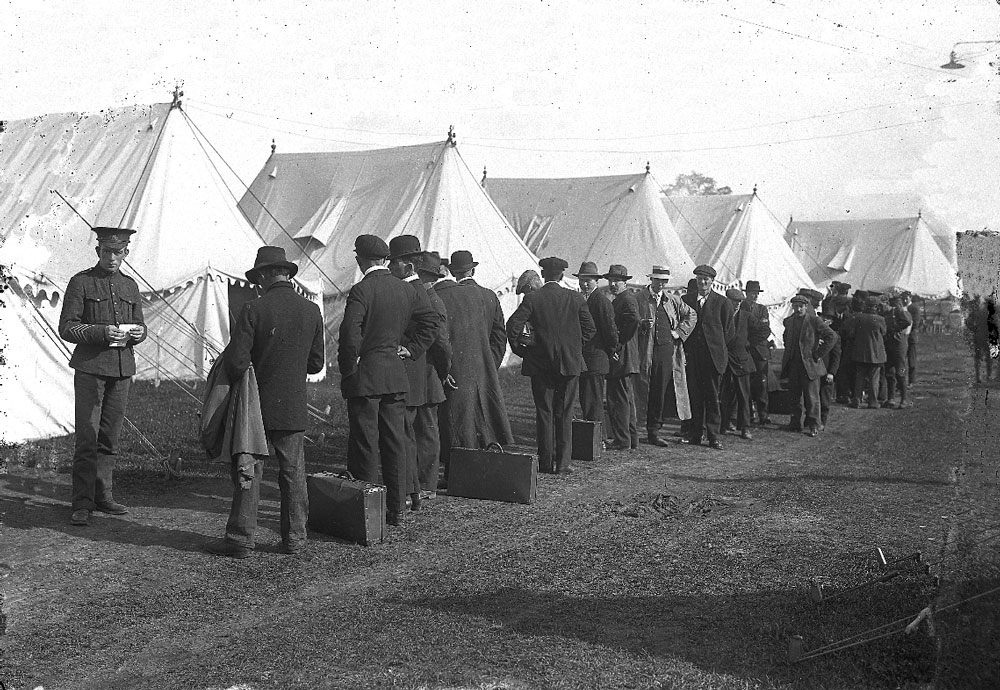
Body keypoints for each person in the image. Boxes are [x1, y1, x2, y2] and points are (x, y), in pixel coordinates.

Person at [207, 246, 325, 557]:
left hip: (255, 406)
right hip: (292, 405)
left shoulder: (253, 310)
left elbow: (235, 364)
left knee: (250, 469)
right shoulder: (311, 310)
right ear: (287, 274)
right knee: (293, 471)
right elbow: (315, 364)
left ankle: (241, 539)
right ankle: (296, 539)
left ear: (262, 275)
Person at [339, 235, 438, 527]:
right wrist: (412, 349)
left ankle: (368, 512)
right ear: (384, 259)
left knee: (366, 445)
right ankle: (396, 509)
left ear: (360, 260)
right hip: (396, 376)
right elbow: (431, 321)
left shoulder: (361, 291)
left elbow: (349, 337)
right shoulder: (405, 290)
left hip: (366, 378)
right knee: (395, 443)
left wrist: (348, 371)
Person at [58, 227, 147, 527]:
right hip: (90, 369)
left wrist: (139, 333)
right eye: (106, 251)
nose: (112, 257)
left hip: (121, 370)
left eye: (118, 252)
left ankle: (103, 495)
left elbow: (141, 326)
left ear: (126, 254)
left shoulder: (131, 286)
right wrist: (99, 332)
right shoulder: (81, 282)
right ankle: (82, 502)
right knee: (87, 437)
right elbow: (67, 327)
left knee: (109, 436)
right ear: (98, 251)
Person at [506, 257, 596, 474]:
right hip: (570, 365)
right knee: (564, 413)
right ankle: (563, 464)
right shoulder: (575, 298)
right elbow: (590, 329)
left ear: (543, 275)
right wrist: (573, 348)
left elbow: (512, 326)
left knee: (544, 412)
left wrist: (524, 352)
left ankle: (545, 462)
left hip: (540, 365)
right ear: (562, 275)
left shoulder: (533, 299)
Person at [434, 250, 514, 482]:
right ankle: (482, 471)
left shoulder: (442, 295)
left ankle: (456, 473)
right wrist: (491, 362)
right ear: (473, 269)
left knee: (456, 420)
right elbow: (500, 335)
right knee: (483, 418)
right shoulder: (488, 296)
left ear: (451, 270)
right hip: (483, 367)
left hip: (455, 368)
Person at [387, 236, 447, 511]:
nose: (390, 267)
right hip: (415, 373)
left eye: (394, 262)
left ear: (408, 266)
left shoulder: (418, 292)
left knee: (410, 433)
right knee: (410, 432)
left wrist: (411, 349)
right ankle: (413, 488)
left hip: (416, 373)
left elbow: (434, 329)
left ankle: (414, 488)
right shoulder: (411, 289)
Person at [636, 265, 697, 446]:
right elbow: (630, 318)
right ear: (651, 280)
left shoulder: (672, 300)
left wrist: (679, 332)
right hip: (645, 351)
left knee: (659, 391)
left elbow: (691, 315)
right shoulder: (639, 298)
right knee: (642, 388)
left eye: (664, 281)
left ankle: (654, 431)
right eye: (658, 280)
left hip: (666, 353)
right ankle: (638, 428)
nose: (661, 284)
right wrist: (641, 324)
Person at [681, 265, 733, 450]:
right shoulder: (686, 300)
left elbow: (729, 331)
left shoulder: (722, 302)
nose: (702, 282)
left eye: (706, 279)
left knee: (712, 397)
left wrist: (715, 349)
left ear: (712, 281)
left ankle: (713, 436)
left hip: (712, 359)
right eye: (699, 279)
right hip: (692, 357)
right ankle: (695, 433)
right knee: (694, 396)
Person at [414, 251, 452, 500]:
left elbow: (442, 344)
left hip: (428, 375)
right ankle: (421, 482)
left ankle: (427, 484)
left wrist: (444, 371)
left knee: (427, 432)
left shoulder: (431, 301)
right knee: (423, 431)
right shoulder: (427, 298)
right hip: (425, 375)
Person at [781, 294, 838, 437]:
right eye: (795, 306)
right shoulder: (788, 321)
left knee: (812, 397)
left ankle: (814, 425)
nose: (798, 309)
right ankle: (795, 423)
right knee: (794, 396)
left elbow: (832, 337)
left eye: (801, 306)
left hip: (810, 365)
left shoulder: (815, 321)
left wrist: (818, 354)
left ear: (806, 307)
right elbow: (786, 337)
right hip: (793, 365)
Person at [721, 288, 767, 440]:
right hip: (724, 360)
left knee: (744, 395)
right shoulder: (721, 315)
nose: (736, 305)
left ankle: (745, 427)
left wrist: (749, 343)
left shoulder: (747, 317)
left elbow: (764, 330)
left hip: (742, 361)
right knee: (725, 394)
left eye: (739, 302)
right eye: (733, 302)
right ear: (727, 301)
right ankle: (725, 424)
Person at [575, 261, 618, 422]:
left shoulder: (601, 301)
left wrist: (612, 350)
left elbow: (611, 332)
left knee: (593, 403)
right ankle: (592, 439)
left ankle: (597, 440)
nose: (585, 284)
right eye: (582, 280)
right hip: (587, 360)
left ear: (596, 281)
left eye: (588, 281)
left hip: (596, 359)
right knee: (587, 401)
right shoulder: (583, 299)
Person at [604, 265, 641, 451]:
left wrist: (618, 343)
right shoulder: (624, 298)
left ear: (624, 282)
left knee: (618, 399)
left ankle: (622, 440)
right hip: (627, 357)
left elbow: (634, 320)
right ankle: (631, 439)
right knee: (626, 399)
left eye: (616, 281)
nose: (612, 284)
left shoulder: (626, 298)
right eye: (610, 281)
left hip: (622, 357)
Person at [741, 280, 773, 425]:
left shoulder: (762, 309)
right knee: (745, 383)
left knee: (762, 383)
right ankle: (749, 414)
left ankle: (763, 415)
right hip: (745, 351)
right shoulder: (740, 306)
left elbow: (765, 330)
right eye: (752, 293)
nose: (754, 296)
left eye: (756, 294)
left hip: (759, 352)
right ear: (746, 294)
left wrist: (750, 341)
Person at [849, 296, 887, 408]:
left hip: (860, 352)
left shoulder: (858, 318)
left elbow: (852, 333)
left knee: (859, 377)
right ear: (876, 307)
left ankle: (856, 400)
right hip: (876, 354)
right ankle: (873, 401)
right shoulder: (880, 319)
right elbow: (884, 333)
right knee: (874, 379)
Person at [883, 294, 913, 408]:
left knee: (900, 372)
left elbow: (907, 321)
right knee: (889, 373)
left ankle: (903, 400)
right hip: (890, 344)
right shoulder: (889, 313)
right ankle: (891, 399)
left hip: (899, 345)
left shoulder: (901, 312)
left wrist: (895, 328)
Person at [818, 313, 842, 431]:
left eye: (825, 319)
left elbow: (836, 357)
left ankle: (822, 420)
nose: (822, 321)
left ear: (830, 322)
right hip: (815, 370)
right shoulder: (815, 333)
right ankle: (810, 420)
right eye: (821, 318)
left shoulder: (834, 336)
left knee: (825, 398)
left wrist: (831, 373)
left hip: (826, 371)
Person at [903, 292, 920, 385]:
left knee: (911, 360)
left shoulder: (914, 308)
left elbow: (916, 323)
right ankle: (900, 382)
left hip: (911, 337)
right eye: (903, 298)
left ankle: (911, 381)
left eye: (906, 298)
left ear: (910, 298)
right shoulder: (902, 307)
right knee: (901, 361)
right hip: (902, 338)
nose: (905, 300)